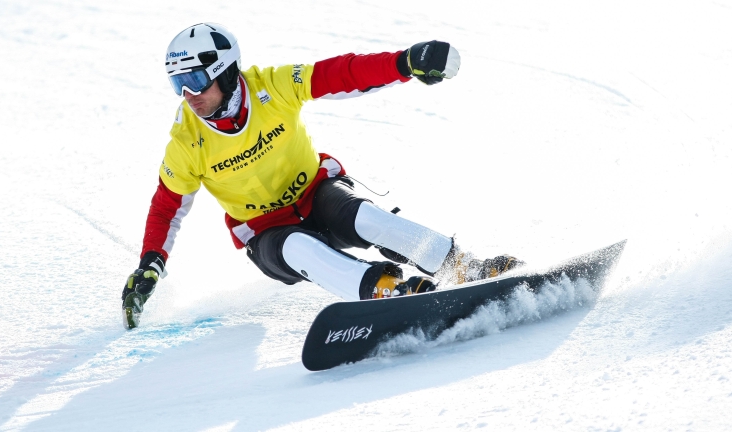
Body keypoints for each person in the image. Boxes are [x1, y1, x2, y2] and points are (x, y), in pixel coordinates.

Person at [121, 22, 523, 329]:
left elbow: (340, 75)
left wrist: (405, 63)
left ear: (226, 73)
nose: (189, 95)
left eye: (194, 80)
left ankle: (463, 267)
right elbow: (167, 207)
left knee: (365, 218)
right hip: (268, 233)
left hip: (317, 195)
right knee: (299, 247)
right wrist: (150, 264)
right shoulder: (186, 141)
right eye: (178, 83)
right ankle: (386, 293)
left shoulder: (272, 87)